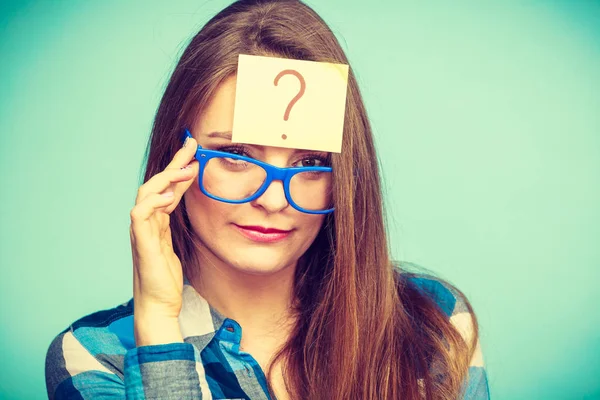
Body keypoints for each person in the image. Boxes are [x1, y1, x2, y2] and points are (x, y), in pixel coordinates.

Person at [45, 0, 490, 399]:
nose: (276, 199)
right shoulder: (94, 356)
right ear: (174, 160)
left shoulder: (434, 322)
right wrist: (160, 324)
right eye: (236, 155)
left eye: (310, 162)